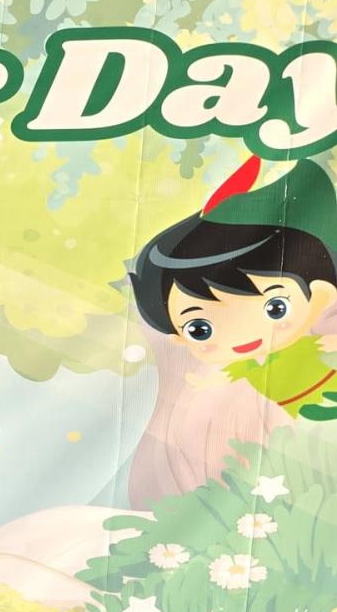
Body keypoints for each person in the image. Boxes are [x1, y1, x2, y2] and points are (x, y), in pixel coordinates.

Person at [130, 155, 337, 420]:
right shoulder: (240, 377)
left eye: (276, 307)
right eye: (199, 329)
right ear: (177, 337)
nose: (243, 332)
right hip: (286, 407)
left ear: (321, 293)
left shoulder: (318, 331)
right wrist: (208, 382)